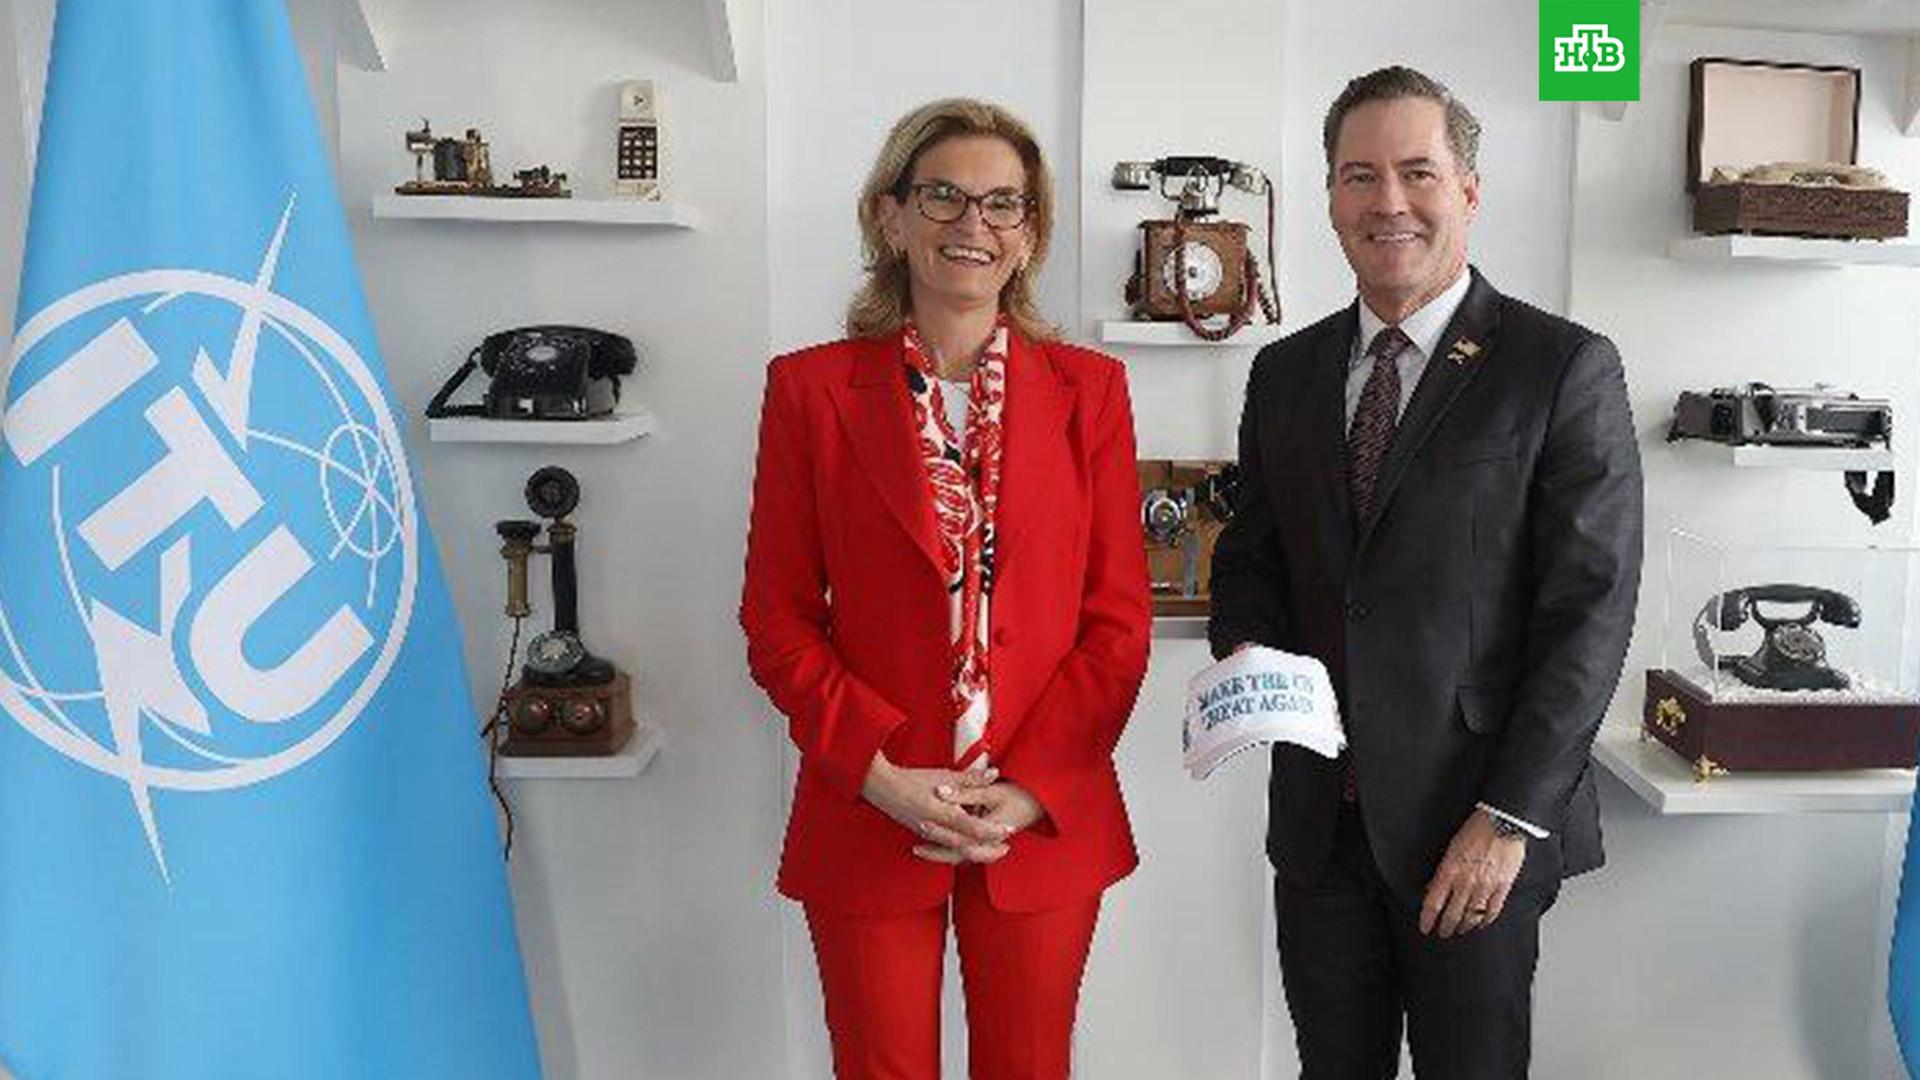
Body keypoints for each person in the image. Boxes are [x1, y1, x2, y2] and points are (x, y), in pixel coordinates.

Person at [1208, 66, 1643, 1078]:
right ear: (1330, 198)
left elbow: (1588, 614)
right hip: (1321, 828)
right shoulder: (1284, 372)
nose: (1388, 202)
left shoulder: (1560, 367)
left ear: (1469, 191)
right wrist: (1249, 660)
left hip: (1475, 827)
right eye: (1359, 176)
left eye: (1418, 172)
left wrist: (1510, 818)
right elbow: (1253, 554)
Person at [740, 98, 1151, 1080]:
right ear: (891, 216)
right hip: (870, 802)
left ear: (1030, 232)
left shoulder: (1091, 392)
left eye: (1004, 203)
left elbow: (1117, 621)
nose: (975, 224)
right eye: (943, 197)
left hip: (1042, 810)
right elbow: (777, 618)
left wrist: (1030, 786)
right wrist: (877, 771)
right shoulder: (809, 391)